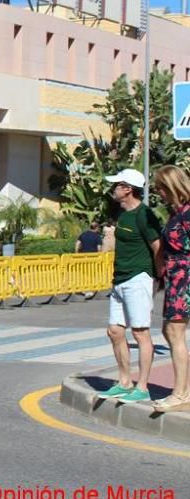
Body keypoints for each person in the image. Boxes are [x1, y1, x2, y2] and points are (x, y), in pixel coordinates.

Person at [97, 169, 162, 404]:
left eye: (117, 185)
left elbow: (158, 247)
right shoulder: (123, 215)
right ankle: (124, 381)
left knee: (140, 333)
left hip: (139, 278)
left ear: (128, 189)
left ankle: (142, 387)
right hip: (120, 280)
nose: (113, 188)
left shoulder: (145, 215)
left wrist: (156, 276)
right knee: (114, 331)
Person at [152, 166, 190, 411]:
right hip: (176, 278)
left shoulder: (186, 215)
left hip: (185, 277)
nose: (158, 194)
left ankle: (180, 393)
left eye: (160, 188)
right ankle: (183, 390)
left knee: (174, 333)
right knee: (171, 332)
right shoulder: (177, 214)